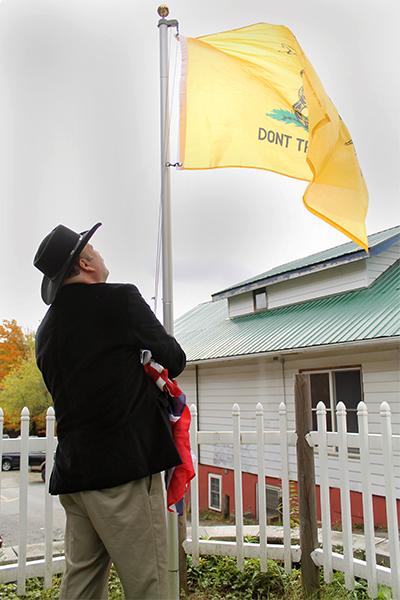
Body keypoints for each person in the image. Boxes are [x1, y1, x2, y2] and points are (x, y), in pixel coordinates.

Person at [33, 222, 186, 600]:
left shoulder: (45, 331)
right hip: (124, 472)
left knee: (81, 584)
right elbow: (175, 359)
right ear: (85, 262)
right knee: (149, 584)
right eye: (95, 251)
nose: (100, 256)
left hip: (74, 474)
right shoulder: (120, 300)